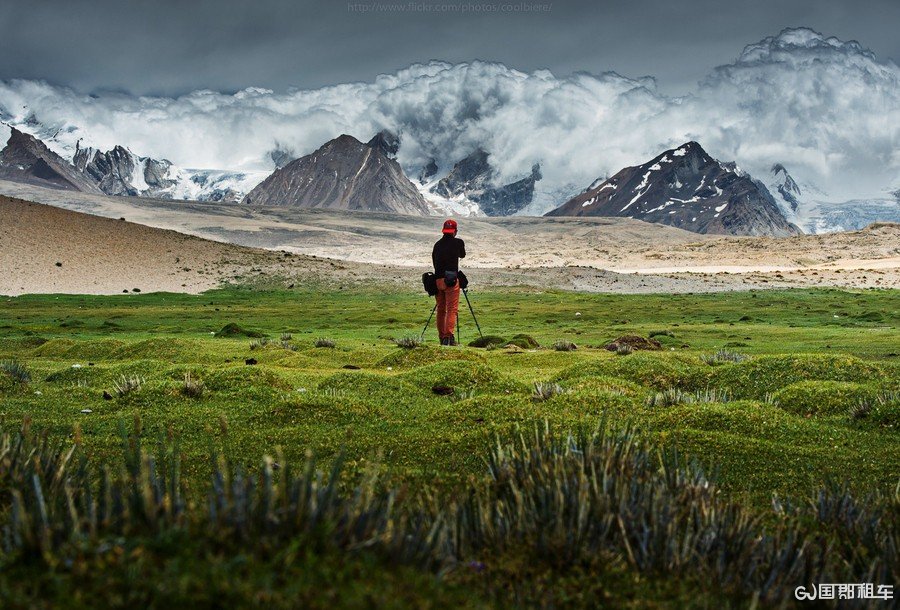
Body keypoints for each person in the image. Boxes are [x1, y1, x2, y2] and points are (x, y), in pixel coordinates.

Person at [432, 218, 466, 346]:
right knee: (452, 309)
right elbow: (462, 255)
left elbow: (434, 262)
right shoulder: (458, 242)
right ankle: (448, 337)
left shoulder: (437, 244)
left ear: (443, 231)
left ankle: (442, 338)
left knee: (441, 309)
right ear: (455, 231)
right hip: (451, 280)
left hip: (438, 280)